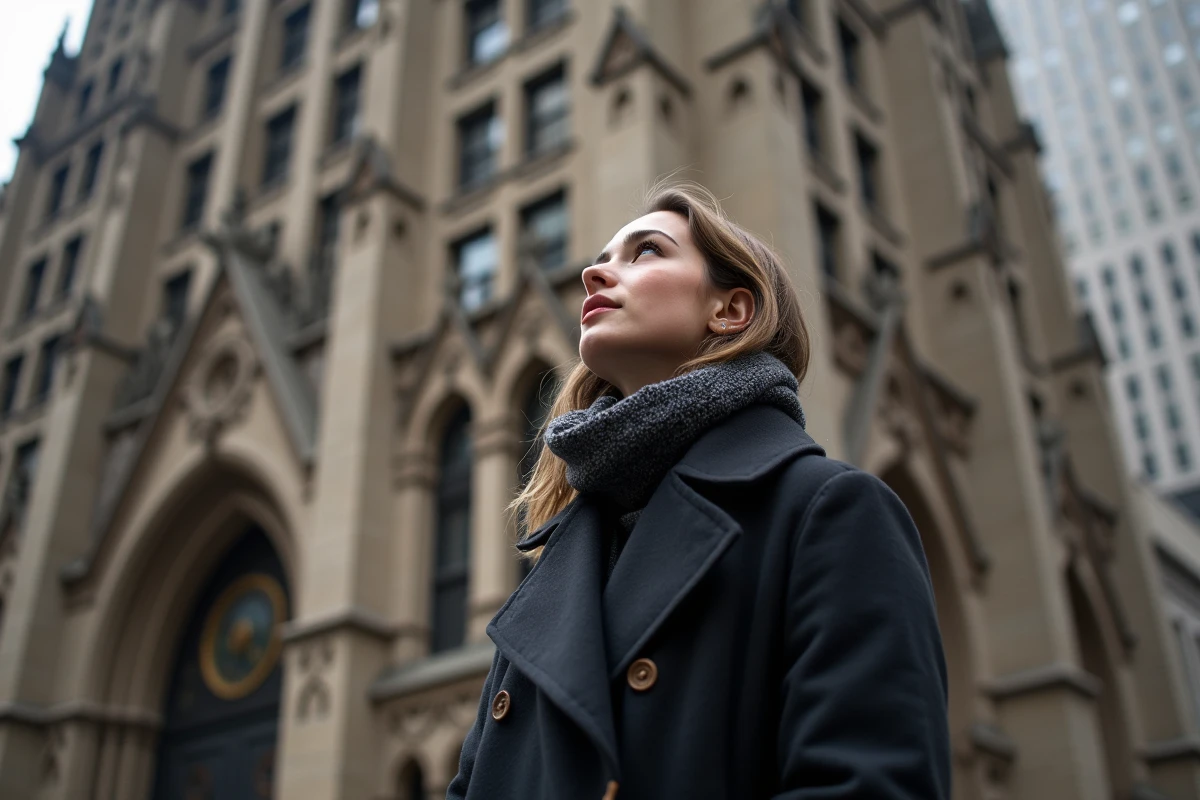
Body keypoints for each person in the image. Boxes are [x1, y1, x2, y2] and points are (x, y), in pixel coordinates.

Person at [446, 182, 950, 800]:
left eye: (646, 252)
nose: (592, 274)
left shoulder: (829, 512)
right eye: (602, 256)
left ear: (730, 311)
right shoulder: (555, 567)